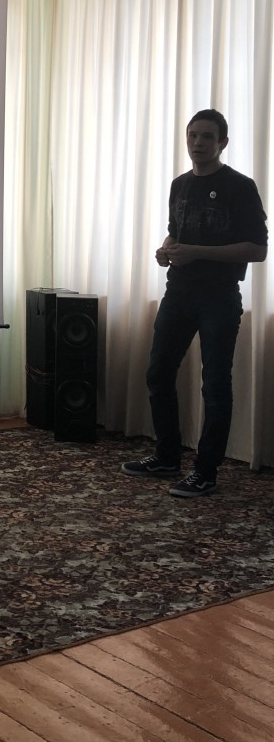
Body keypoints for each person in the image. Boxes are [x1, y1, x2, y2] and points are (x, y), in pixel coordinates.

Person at [121, 109, 267, 498]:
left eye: (207, 136)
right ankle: (167, 457)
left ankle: (205, 472)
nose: (198, 143)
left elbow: (257, 249)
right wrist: (165, 250)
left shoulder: (240, 186)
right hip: (178, 293)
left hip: (219, 297)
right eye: (193, 135)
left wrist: (197, 252)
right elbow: (177, 233)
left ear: (223, 143)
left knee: (215, 384)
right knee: (158, 374)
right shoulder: (180, 185)